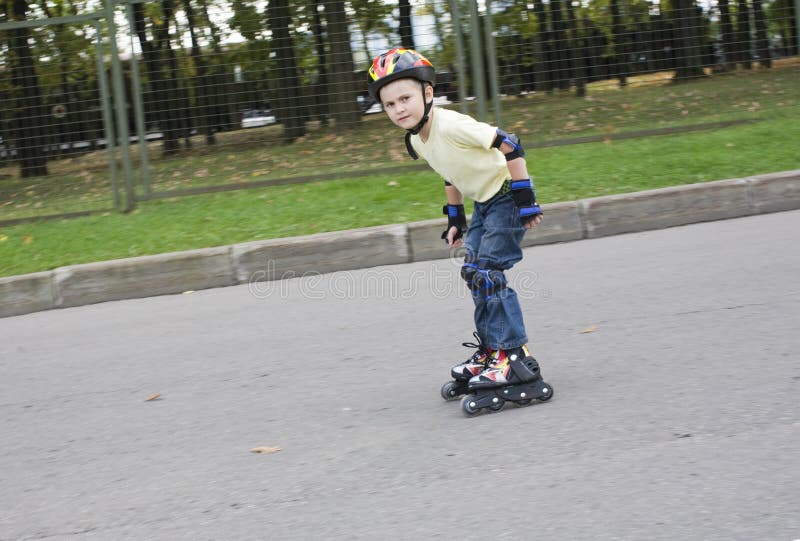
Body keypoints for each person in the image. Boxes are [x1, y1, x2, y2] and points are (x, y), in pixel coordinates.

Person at [368, 48, 547, 400]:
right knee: (474, 273)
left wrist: (526, 200)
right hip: (484, 202)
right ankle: (493, 352)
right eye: (389, 105)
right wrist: (455, 218)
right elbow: (449, 174)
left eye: (405, 98)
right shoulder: (417, 139)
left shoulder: (450, 125)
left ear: (428, 93)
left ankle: (513, 357)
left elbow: (510, 144)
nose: (399, 109)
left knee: (488, 272)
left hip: (507, 196)